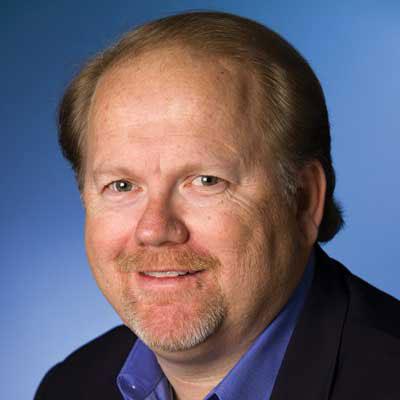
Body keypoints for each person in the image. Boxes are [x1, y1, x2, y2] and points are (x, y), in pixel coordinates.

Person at [35, 11, 399, 400]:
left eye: (206, 181)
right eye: (122, 185)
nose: (154, 229)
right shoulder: (69, 387)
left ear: (304, 200)